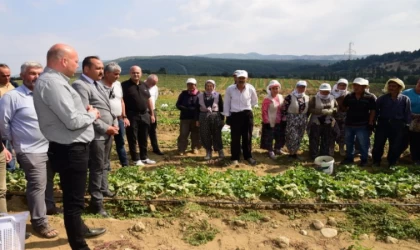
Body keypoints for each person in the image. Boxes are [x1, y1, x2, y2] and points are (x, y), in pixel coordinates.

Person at [33, 43, 106, 250]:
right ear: (63, 61)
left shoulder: (57, 82)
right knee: (73, 204)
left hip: (69, 148)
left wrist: (85, 111)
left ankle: (80, 230)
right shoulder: (53, 84)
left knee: (73, 198)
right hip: (71, 150)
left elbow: (71, 113)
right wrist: (92, 114)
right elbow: (72, 121)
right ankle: (80, 246)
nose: (77, 64)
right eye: (75, 60)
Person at [0, 61, 62, 238]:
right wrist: (14, 141)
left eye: (39, 73)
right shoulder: (12, 97)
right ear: (23, 75)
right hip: (29, 149)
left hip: (50, 147)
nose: (37, 77)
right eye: (32, 73)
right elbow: (3, 125)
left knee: (47, 182)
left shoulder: (44, 95)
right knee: (37, 185)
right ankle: (39, 222)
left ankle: (47, 208)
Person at [72, 56, 117, 216]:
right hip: (96, 134)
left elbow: (104, 108)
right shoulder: (80, 85)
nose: (102, 71)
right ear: (86, 69)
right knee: (97, 168)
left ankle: (103, 189)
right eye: (98, 68)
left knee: (105, 164)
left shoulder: (97, 84)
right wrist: (106, 128)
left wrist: (113, 124)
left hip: (107, 132)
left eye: (102, 68)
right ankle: (96, 204)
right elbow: (85, 113)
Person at [372, 78, 411, 168]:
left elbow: (407, 113)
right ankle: (376, 161)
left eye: (394, 86)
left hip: (398, 125)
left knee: (395, 145)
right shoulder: (382, 99)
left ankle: (392, 162)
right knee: (378, 144)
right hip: (383, 123)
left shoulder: (405, 99)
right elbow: (376, 112)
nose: (391, 88)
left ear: (399, 88)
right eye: (390, 86)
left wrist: (407, 126)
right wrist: (373, 123)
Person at [122, 66, 156, 165]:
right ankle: (136, 159)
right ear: (130, 73)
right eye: (133, 73)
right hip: (131, 115)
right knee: (132, 137)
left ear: (141, 74)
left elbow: (149, 100)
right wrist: (124, 116)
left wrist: (152, 114)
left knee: (144, 137)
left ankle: (144, 157)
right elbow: (121, 101)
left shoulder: (144, 85)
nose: (135, 74)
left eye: (137, 73)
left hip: (145, 115)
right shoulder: (124, 85)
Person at [223, 70, 258, 165]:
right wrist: (227, 115)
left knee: (247, 136)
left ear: (246, 79)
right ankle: (235, 157)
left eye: (243, 78)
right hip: (235, 115)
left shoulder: (251, 88)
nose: (241, 80)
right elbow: (226, 103)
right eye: (240, 78)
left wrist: (246, 108)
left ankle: (248, 156)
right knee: (235, 137)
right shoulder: (230, 89)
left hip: (247, 115)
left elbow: (254, 101)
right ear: (236, 79)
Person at [341, 78, 376, 167]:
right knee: (349, 142)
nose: (356, 87)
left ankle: (364, 160)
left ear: (364, 87)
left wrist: (370, 121)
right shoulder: (349, 96)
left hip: (362, 125)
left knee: (363, 143)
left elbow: (372, 110)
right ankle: (349, 158)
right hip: (349, 124)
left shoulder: (370, 97)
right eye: (355, 85)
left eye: (358, 86)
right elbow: (344, 107)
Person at [101, 62, 130, 167]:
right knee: (105, 144)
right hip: (105, 120)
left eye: (119, 74)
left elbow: (121, 101)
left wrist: (124, 116)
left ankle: (125, 165)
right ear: (107, 73)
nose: (117, 76)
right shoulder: (99, 85)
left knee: (121, 142)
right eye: (115, 74)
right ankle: (105, 166)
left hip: (119, 119)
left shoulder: (118, 85)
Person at [307, 83, 338, 160]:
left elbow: (337, 107)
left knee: (326, 138)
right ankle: (314, 154)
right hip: (316, 122)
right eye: (323, 91)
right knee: (314, 138)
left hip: (328, 122)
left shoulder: (332, 98)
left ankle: (324, 154)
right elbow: (310, 109)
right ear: (320, 90)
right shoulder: (314, 98)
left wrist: (333, 110)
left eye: (327, 91)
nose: (325, 93)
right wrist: (321, 111)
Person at [196, 79, 225, 160]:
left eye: (211, 86)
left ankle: (220, 151)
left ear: (214, 87)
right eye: (207, 86)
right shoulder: (200, 96)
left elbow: (221, 108)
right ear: (205, 87)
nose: (209, 88)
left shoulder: (217, 95)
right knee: (205, 134)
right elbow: (197, 109)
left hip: (215, 116)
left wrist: (222, 119)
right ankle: (208, 151)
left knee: (217, 134)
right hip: (203, 116)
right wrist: (197, 120)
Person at [283, 80, 310, 159]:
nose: (301, 88)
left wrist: (305, 117)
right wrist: (284, 118)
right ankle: (291, 153)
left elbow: (308, 110)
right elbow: (284, 108)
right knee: (292, 136)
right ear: (296, 87)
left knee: (299, 136)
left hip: (302, 119)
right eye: (300, 87)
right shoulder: (290, 97)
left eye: (303, 87)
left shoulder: (307, 97)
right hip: (292, 118)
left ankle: (295, 153)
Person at [260, 80, 285, 159]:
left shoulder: (280, 97)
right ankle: (270, 150)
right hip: (270, 121)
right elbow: (264, 111)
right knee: (269, 136)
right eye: (273, 88)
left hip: (280, 120)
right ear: (270, 89)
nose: (275, 90)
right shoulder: (267, 99)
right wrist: (266, 121)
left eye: (277, 88)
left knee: (279, 135)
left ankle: (277, 149)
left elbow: (283, 107)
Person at [176, 78, 201, 155]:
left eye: (192, 84)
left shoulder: (200, 95)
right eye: (188, 84)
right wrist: (186, 109)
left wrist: (195, 109)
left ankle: (195, 148)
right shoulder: (183, 94)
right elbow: (178, 104)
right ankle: (181, 149)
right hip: (185, 118)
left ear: (195, 85)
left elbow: (202, 106)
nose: (190, 86)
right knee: (183, 134)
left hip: (195, 118)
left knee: (195, 134)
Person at [0, 63, 16, 171]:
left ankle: (13, 170)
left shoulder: (14, 86)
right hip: (2, 123)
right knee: (5, 149)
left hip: (15, 122)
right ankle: (9, 171)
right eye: (3, 76)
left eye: (8, 75)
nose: (7, 78)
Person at [402, 77, 420, 166]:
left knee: (417, 140)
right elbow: (400, 105)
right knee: (410, 140)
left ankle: (415, 157)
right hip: (408, 120)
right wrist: (411, 115)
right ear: (417, 82)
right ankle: (413, 157)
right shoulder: (407, 93)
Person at [145, 74, 164, 155]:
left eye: (155, 83)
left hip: (152, 111)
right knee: (144, 131)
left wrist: (152, 111)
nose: (153, 85)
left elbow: (155, 98)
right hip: (143, 112)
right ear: (147, 80)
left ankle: (155, 148)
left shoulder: (155, 88)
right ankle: (143, 150)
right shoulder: (141, 86)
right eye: (152, 83)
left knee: (153, 131)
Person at [332, 78, 350, 156]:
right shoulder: (331, 94)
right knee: (332, 132)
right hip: (333, 116)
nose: (342, 87)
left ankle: (341, 148)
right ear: (337, 85)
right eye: (340, 85)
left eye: (344, 85)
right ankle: (331, 148)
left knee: (343, 133)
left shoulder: (349, 94)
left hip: (344, 116)